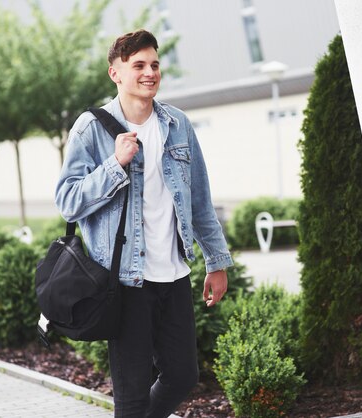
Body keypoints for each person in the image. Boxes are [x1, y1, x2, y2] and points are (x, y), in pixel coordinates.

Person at [55, 29, 233, 418]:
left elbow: (199, 199)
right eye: (138, 65)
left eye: (154, 64)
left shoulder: (177, 124)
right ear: (115, 73)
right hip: (125, 282)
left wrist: (216, 262)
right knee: (132, 396)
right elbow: (67, 201)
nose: (149, 72)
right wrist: (114, 165)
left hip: (173, 275)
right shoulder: (91, 128)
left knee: (183, 375)